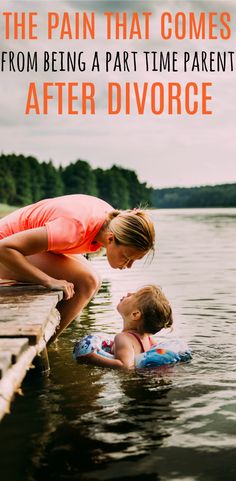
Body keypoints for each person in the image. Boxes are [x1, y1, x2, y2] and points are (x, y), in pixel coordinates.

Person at [0, 194, 155, 338]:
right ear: (110, 239)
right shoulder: (74, 229)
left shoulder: (111, 222)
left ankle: (53, 338)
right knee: (87, 281)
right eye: (126, 258)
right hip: (5, 253)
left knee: (94, 280)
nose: (128, 266)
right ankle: (44, 344)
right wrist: (48, 280)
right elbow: (4, 248)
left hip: (18, 248)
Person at [75, 285, 173, 369]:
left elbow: (125, 366)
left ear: (135, 314)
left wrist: (91, 358)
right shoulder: (149, 339)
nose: (129, 293)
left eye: (134, 295)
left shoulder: (122, 338)